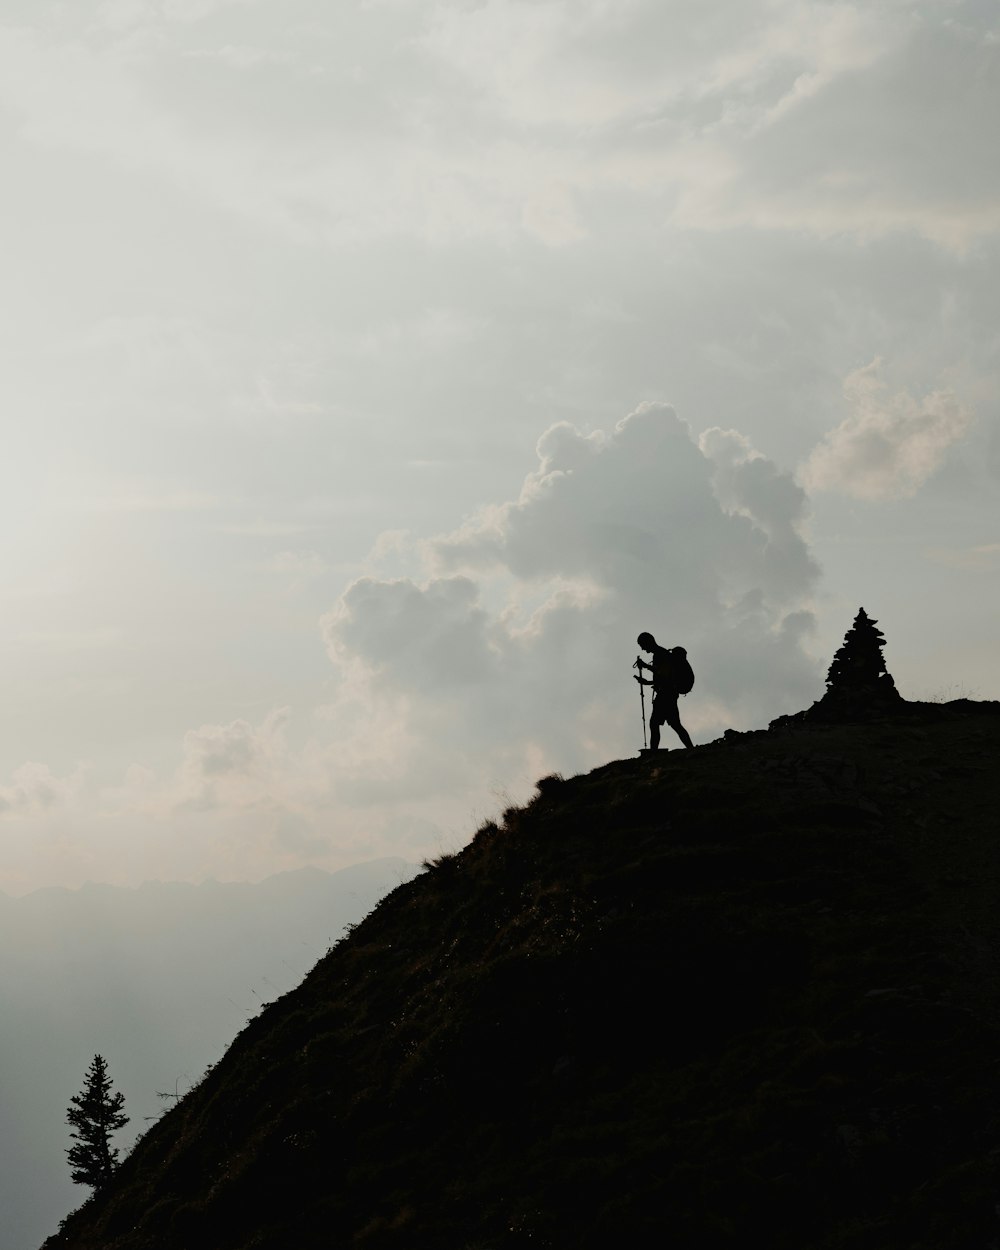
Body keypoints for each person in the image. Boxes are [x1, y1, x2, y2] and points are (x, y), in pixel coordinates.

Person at [634, 631, 693, 750]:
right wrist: (648, 682)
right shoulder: (661, 653)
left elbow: (663, 675)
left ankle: (653, 753)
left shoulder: (660, 654)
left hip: (666, 694)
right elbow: (664, 677)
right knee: (675, 725)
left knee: (654, 723)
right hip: (669, 693)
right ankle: (691, 748)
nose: (643, 649)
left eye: (643, 645)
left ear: (648, 642)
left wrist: (646, 667)